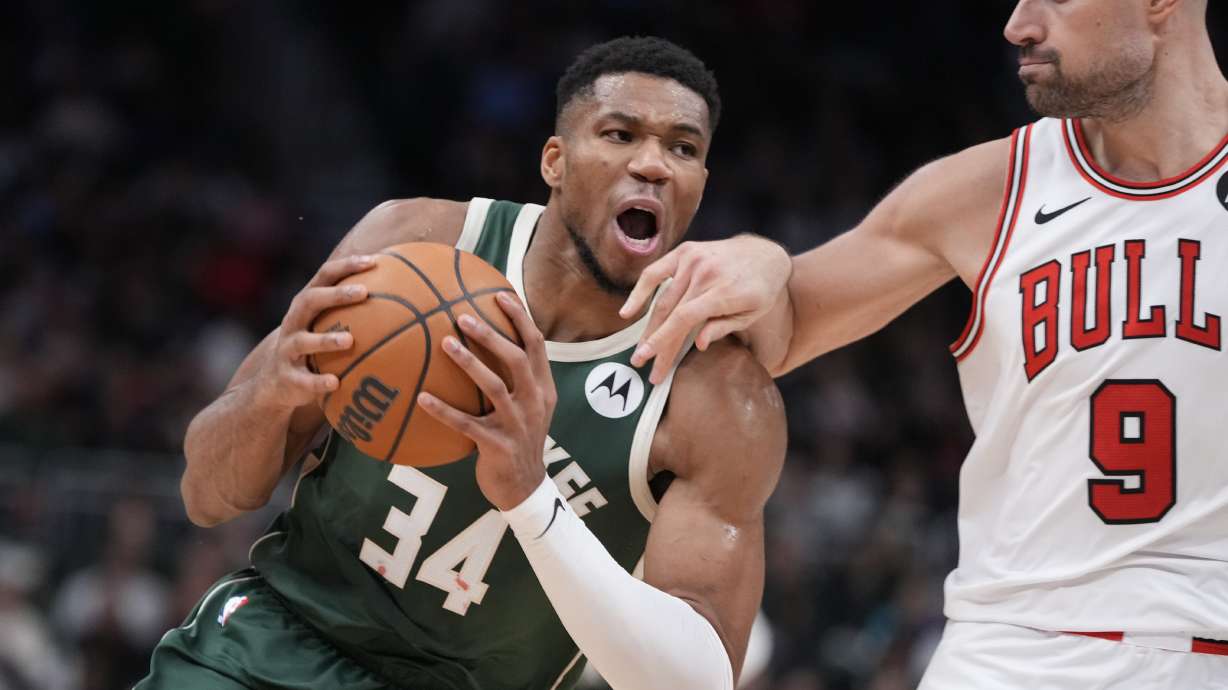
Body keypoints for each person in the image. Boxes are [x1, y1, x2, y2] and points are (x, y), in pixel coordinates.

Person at [136, 37, 785, 690]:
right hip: (274, 644)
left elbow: (695, 684)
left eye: (684, 148)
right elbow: (206, 495)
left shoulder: (717, 396)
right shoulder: (407, 246)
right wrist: (270, 396)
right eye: (620, 134)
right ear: (555, 161)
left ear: (701, 183)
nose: (654, 165)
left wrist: (532, 498)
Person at [621, 1, 1228, 688]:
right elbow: (784, 323)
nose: (1018, 24)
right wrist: (761, 258)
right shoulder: (990, 189)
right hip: (1013, 652)